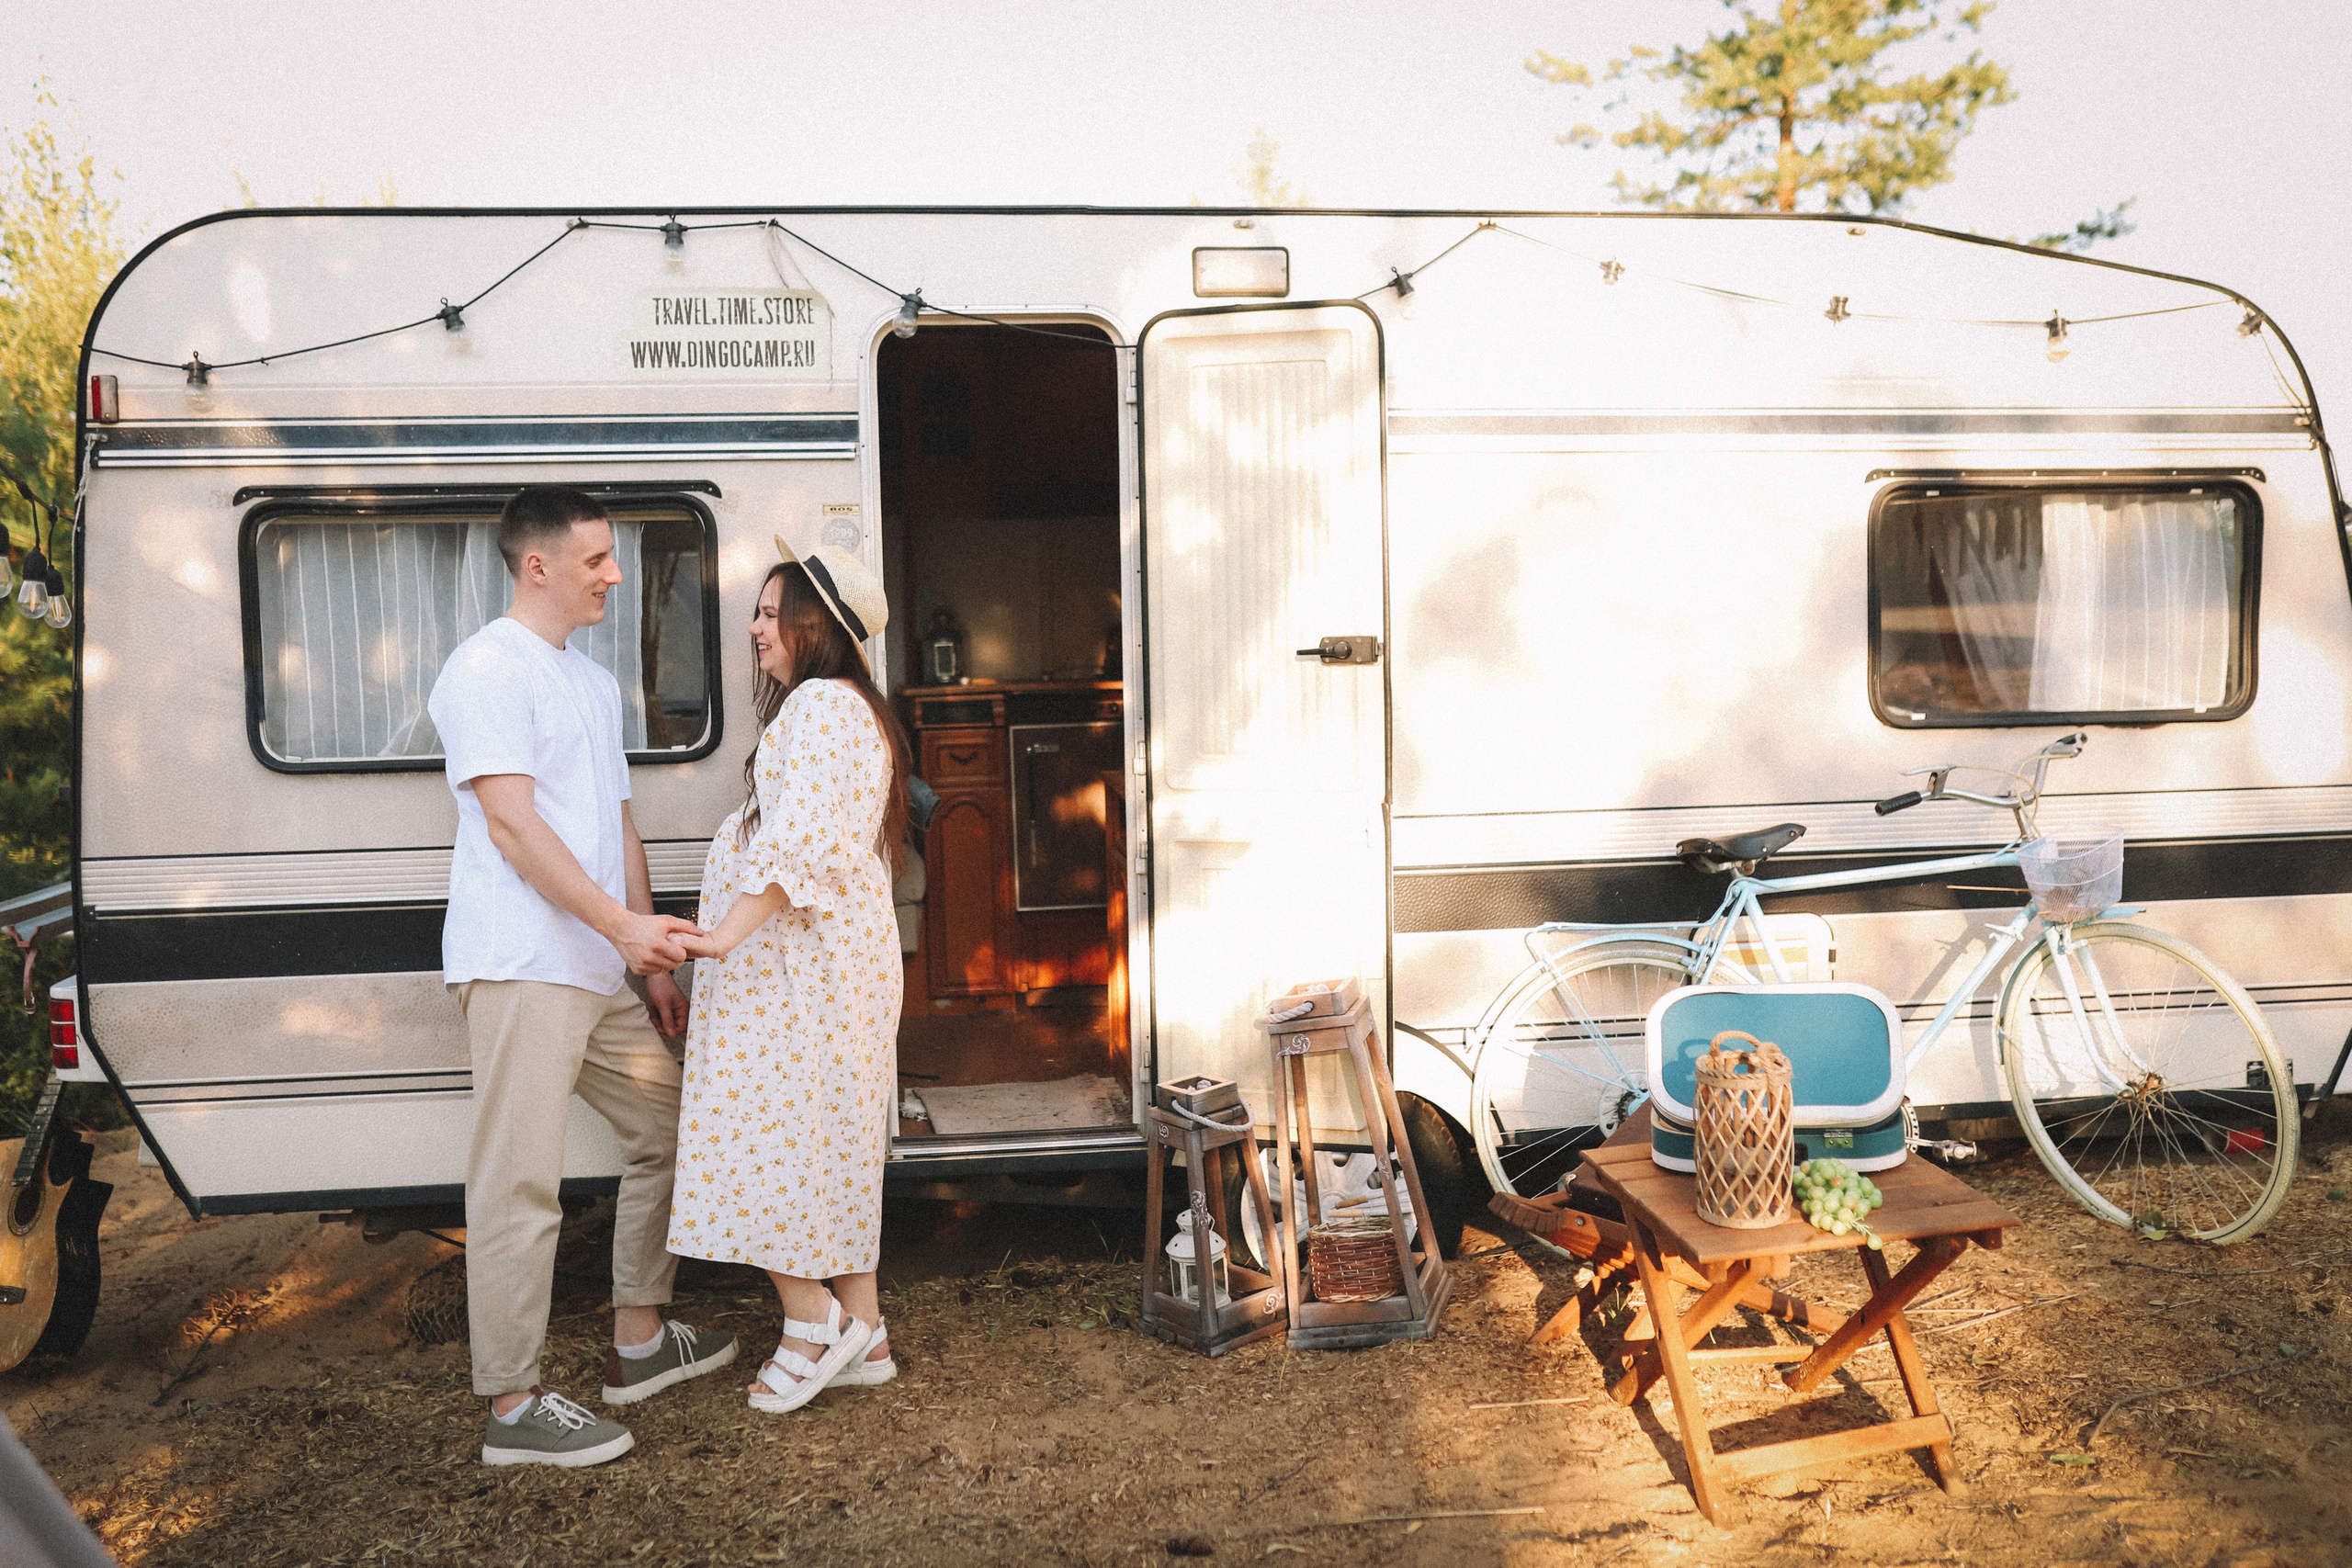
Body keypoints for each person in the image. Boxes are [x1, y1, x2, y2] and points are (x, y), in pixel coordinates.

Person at [427, 486, 739, 1467]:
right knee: (520, 1183)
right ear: (539, 566)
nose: (614, 573)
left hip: (595, 966)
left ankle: (638, 1341)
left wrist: (639, 955)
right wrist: (619, 930)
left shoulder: (594, 684)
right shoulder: (484, 670)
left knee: (672, 1127)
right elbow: (514, 826)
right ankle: (513, 1407)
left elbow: (617, 826)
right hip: (522, 963)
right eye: (598, 558)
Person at [668, 537, 908, 1414]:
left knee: (769, 1139)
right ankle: (867, 1329)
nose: (758, 628)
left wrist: (722, 935)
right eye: (760, 612)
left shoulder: (818, 709)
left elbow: (798, 844)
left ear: (819, 627)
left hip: (804, 974)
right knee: (830, 1143)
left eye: (774, 613)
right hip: (832, 967)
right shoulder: (849, 708)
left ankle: (813, 1323)